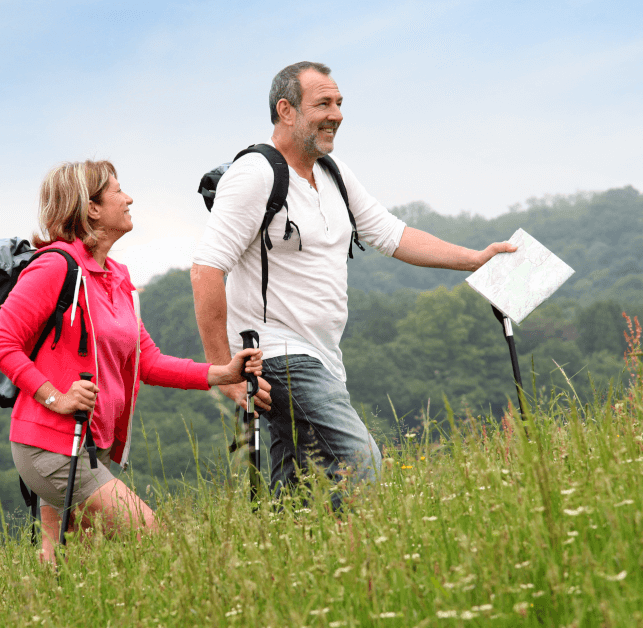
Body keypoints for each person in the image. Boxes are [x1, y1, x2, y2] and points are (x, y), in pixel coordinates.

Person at [191, 61, 516, 505]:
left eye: (339, 103)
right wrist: (222, 372)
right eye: (323, 103)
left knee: (298, 491)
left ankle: (292, 563)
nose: (337, 114)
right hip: (280, 355)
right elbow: (206, 269)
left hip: (325, 357)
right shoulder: (255, 175)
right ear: (286, 110)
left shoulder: (333, 173)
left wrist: (473, 259)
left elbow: (392, 235)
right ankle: (367, 559)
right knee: (362, 463)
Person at [0, 159, 262, 562]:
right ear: (91, 207)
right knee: (154, 536)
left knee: (64, 560)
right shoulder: (55, 266)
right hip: (51, 445)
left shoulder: (117, 277)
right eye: (117, 190)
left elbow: (146, 362)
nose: (128, 197)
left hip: (86, 443)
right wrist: (55, 397)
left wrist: (221, 373)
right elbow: (0, 342)